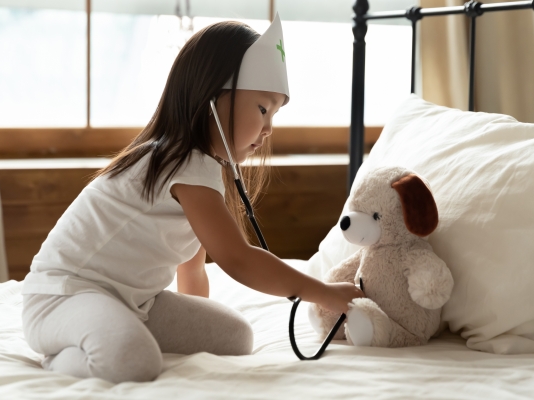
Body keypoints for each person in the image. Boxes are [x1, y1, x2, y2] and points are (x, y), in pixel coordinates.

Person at [21, 15, 364, 384]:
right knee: (134, 362)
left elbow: (191, 268)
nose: (268, 130)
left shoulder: (202, 170)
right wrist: (324, 293)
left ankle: (118, 334)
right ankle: (59, 361)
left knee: (236, 336)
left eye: (275, 114)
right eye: (263, 109)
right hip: (63, 297)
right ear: (213, 99)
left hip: (133, 300)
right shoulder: (180, 162)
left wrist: (193, 325)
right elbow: (238, 259)